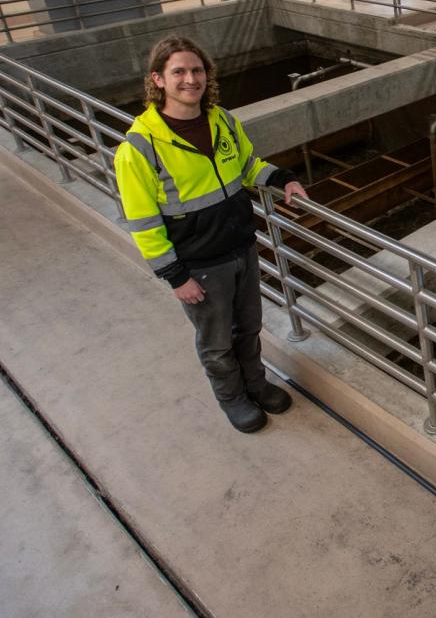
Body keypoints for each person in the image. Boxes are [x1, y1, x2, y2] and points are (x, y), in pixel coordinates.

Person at [114, 35, 308, 433]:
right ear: (159, 79)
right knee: (216, 342)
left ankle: (256, 384)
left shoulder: (222, 119)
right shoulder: (139, 147)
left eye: (197, 70)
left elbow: (247, 166)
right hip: (199, 265)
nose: (191, 79)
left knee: (249, 328)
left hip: (241, 247)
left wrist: (282, 178)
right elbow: (143, 223)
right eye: (179, 71)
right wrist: (175, 276)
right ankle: (233, 399)